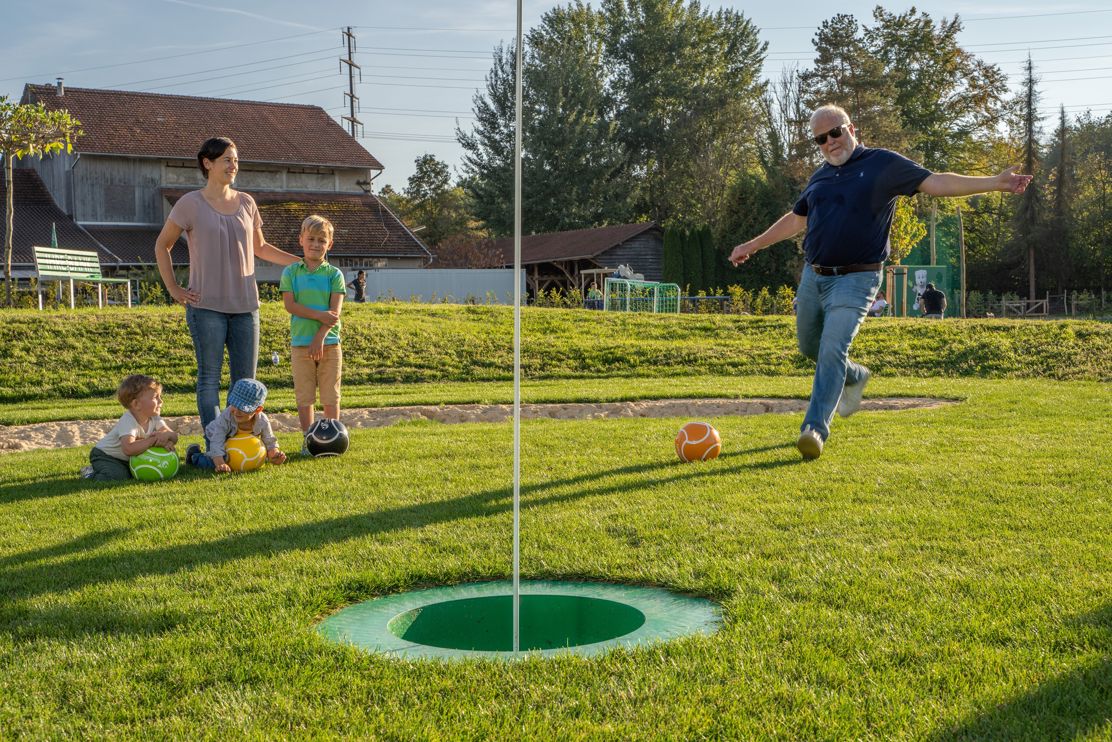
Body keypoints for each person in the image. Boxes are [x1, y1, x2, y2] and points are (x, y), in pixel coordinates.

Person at [728, 104, 1031, 460]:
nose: (829, 142)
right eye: (820, 139)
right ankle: (854, 376)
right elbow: (796, 221)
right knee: (810, 346)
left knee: (831, 346)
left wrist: (994, 182)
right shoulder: (819, 177)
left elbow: (936, 182)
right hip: (814, 277)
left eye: (835, 132)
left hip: (857, 279)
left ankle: (813, 429)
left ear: (851, 128)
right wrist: (752, 245)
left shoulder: (882, 164)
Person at [154, 137, 299, 447]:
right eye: (227, 160)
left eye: (236, 160)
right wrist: (174, 289)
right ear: (208, 163)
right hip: (205, 307)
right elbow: (162, 245)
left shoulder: (247, 202)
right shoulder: (189, 203)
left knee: (245, 384)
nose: (234, 165)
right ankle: (214, 446)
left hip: (246, 307)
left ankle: (241, 443)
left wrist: (303, 262)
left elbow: (260, 248)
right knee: (209, 379)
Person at [280, 215, 346, 452]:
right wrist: (319, 316)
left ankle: (332, 439)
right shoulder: (290, 273)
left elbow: (334, 312)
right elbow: (291, 306)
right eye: (311, 239)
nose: (315, 244)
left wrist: (320, 336)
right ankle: (309, 440)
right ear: (301, 240)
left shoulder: (334, 275)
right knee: (304, 396)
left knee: (330, 396)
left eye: (321, 240)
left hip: (329, 343)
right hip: (300, 344)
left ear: (330, 244)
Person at [81, 375, 178, 480]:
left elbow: (174, 436)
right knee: (118, 476)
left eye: (160, 396)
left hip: (127, 459)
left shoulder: (154, 418)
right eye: (155, 397)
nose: (161, 401)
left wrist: (166, 436)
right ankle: (90, 473)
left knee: (132, 474)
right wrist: (153, 440)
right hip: (106, 456)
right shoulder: (128, 420)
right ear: (136, 404)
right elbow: (129, 448)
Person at [185, 378, 286, 472]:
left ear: (258, 410)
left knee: (259, 457)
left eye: (243, 408)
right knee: (214, 461)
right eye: (234, 404)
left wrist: (274, 454)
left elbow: (269, 441)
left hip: (239, 445)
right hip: (216, 436)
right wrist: (220, 464)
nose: (237, 411)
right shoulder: (226, 417)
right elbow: (217, 442)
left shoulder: (262, 421)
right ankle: (194, 456)